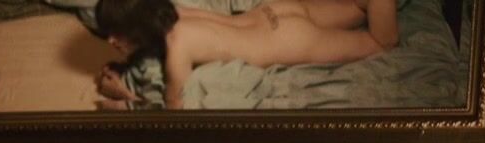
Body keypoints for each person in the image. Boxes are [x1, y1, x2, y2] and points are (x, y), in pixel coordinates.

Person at [94, 0, 399, 109]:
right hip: (274, 10)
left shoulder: (177, 48)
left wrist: (125, 98)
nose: (110, 40)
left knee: (380, 43)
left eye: (117, 33)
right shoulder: (173, 12)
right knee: (360, 7)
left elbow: (175, 116)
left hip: (289, 39)